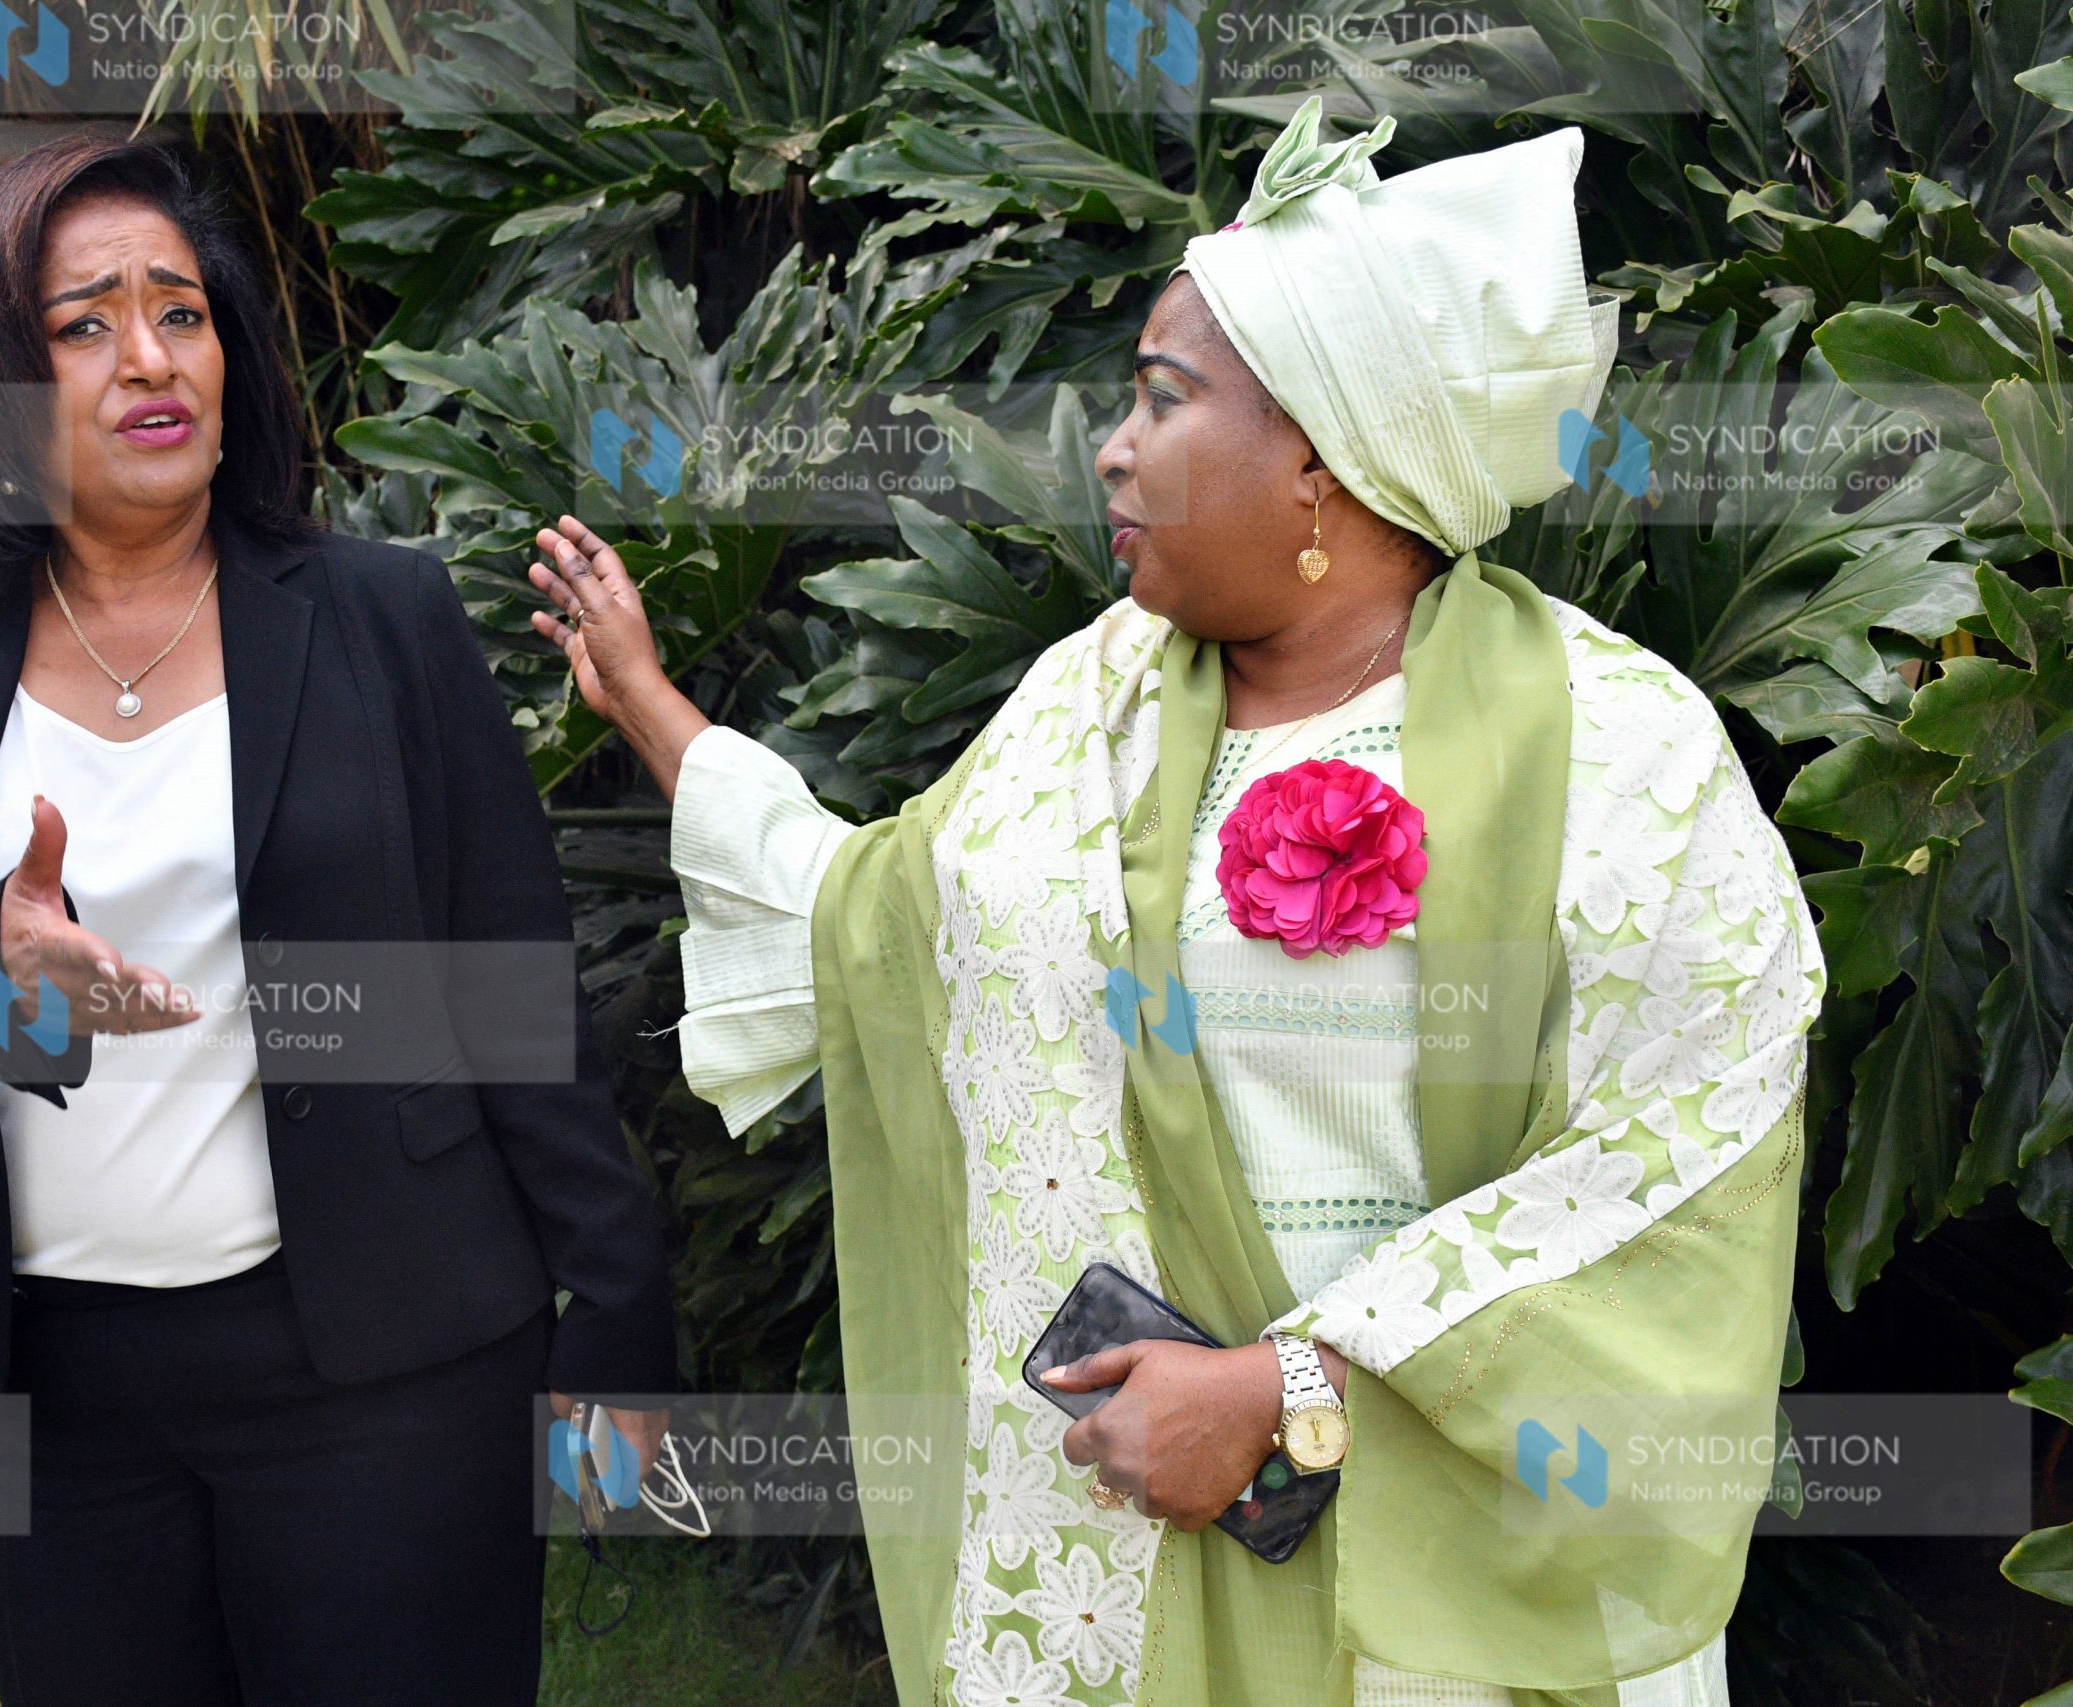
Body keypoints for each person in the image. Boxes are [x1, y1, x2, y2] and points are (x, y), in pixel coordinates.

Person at [527, 98, 1817, 1707]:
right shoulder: (1094, 702)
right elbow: (881, 925)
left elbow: (1680, 1154)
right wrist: (658, 714)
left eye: (1161, 397)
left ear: (1320, 467)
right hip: (1127, 1565)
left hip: (1437, 1620)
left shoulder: (1624, 754)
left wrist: (1295, 1389)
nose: (1116, 448)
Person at [0, 133, 675, 1706]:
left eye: (180, 312)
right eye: (83, 323)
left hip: (392, 1370)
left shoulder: (380, 613)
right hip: (59, 1396)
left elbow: (512, 978)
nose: (147, 359)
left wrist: (621, 1306)